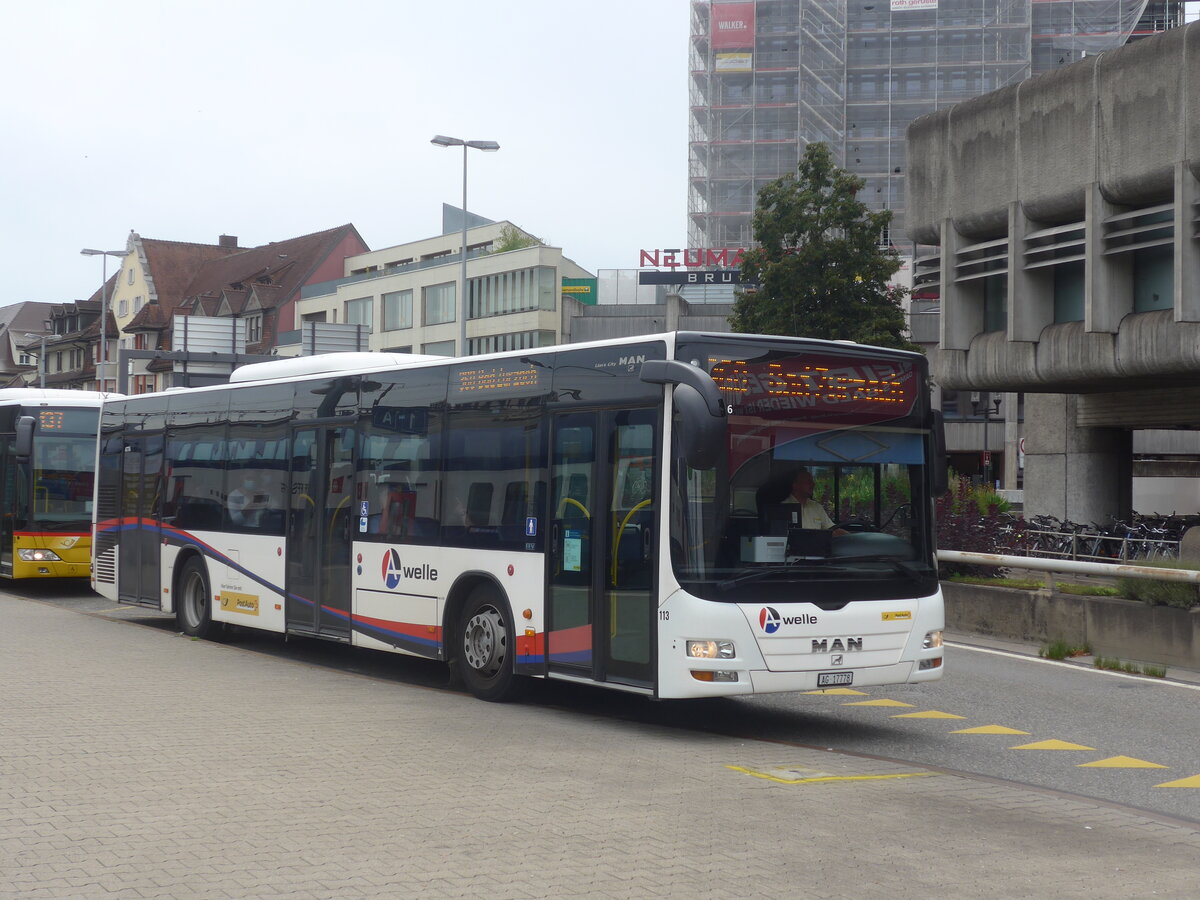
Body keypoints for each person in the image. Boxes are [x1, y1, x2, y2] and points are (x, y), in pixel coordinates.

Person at [784, 468, 847, 536]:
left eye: (812, 481)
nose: (813, 484)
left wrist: (853, 538)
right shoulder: (784, 507)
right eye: (808, 482)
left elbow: (833, 530)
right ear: (795, 485)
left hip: (819, 546)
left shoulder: (816, 507)